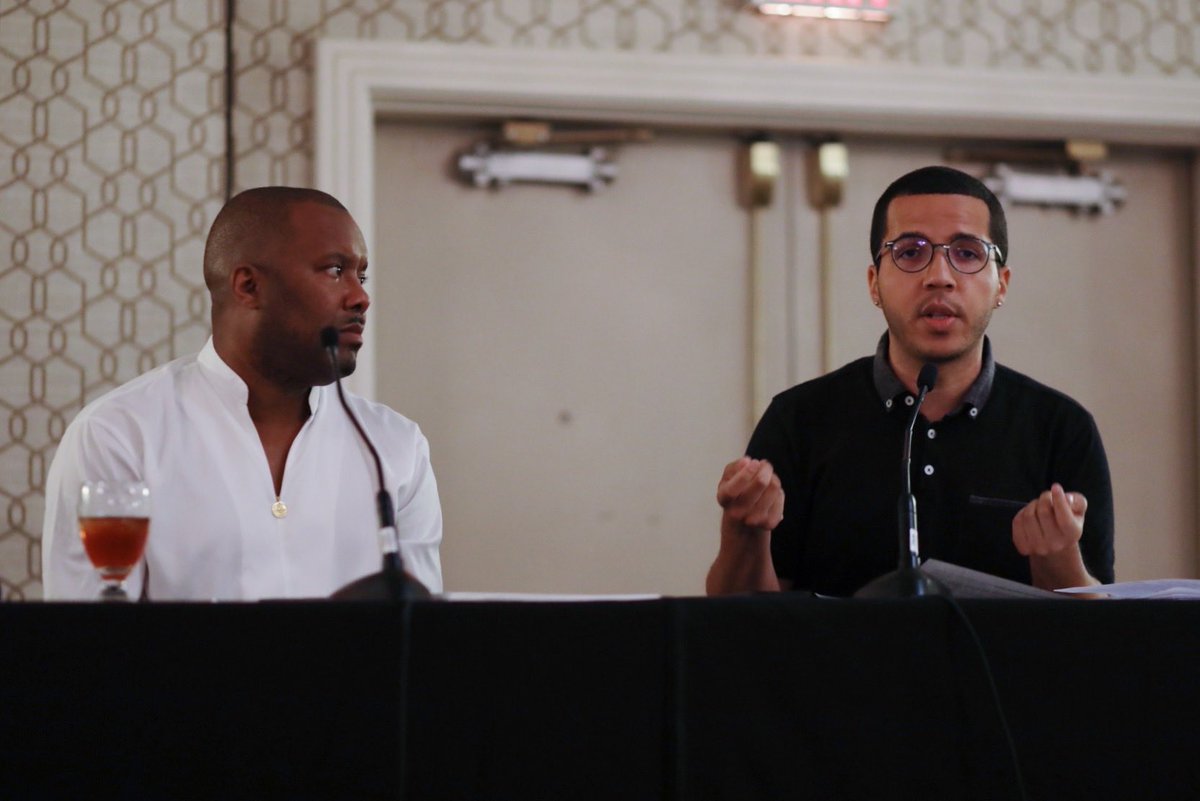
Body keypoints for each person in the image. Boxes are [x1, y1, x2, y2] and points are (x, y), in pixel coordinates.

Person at [707, 165, 1114, 597]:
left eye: (968, 253)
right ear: (874, 283)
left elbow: (1097, 640)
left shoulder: (1061, 429)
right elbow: (742, 628)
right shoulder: (800, 419)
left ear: (1002, 285)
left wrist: (1060, 563)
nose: (939, 276)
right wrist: (743, 532)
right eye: (911, 252)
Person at [42, 187, 442, 600]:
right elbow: (87, 646)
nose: (361, 297)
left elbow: (421, 641)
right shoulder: (120, 435)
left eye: (361, 276)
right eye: (334, 270)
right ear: (249, 286)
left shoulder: (395, 448)